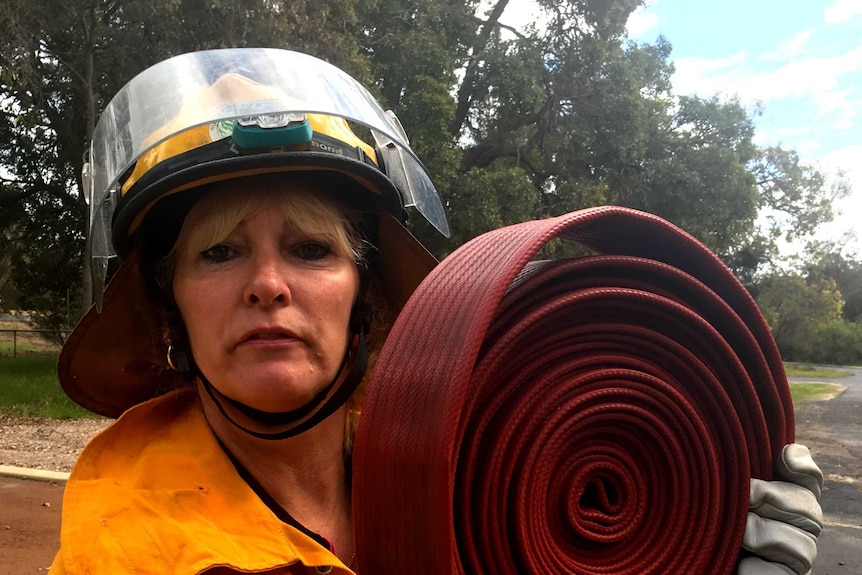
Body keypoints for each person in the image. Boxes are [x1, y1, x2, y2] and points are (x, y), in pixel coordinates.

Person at [50, 48, 822, 575]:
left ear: (367, 293)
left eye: (311, 249)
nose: (267, 284)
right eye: (219, 253)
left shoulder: (469, 458)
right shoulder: (124, 537)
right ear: (167, 304)